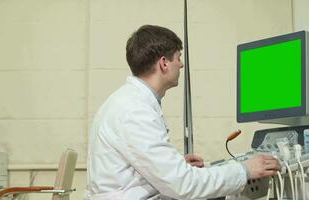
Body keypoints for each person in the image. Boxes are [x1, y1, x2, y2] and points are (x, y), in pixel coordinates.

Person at [84, 25, 281, 200]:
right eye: (178, 58)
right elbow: (183, 185)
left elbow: (135, 166)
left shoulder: (128, 101)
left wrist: (174, 164)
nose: (181, 64)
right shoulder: (135, 111)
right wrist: (245, 170)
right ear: (164, 63)